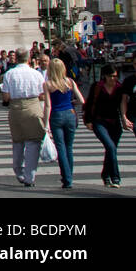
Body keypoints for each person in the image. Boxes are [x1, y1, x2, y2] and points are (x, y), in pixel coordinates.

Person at [2, 46, 48, 187]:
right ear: (29, 58)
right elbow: (42, 94)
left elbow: (5, 96)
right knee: (33, 143)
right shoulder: (36, 74)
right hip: (33, 105)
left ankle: (18, 171)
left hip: (16, 107)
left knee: (18, 141)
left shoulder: (9, 74)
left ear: (16, 57)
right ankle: (30, 176)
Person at [45, 58, 85, 189]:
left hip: (56, 115)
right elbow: (81, 100)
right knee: (69, 147)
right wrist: (72, 102)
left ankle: (66, 178)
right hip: (70, 113)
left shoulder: (48, 84)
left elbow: (48, 106)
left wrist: (46, 124)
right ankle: (69, 176)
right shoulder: (70, 82)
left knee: (60, 147)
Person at [83, 63, 124, 187]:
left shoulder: (119, 88)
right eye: (111, 76)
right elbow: (89, 103)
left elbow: (124, 105)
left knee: (111, 150)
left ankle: (105, 175)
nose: (113, 79)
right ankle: (115, 178)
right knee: (111, 147)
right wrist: (88, 121)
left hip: (115, 123)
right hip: (99, 121)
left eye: (115, 76)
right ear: (105, 76)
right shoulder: (97, 87)